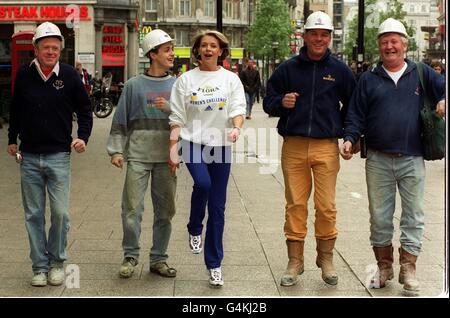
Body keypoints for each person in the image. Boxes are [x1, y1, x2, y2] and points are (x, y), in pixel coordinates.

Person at [340, 18, 445, 293]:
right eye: (385, 41)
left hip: (413, 158)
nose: (390, 46)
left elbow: (445, 89)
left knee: (414, 215)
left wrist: (444, 100)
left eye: (394, 41)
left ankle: (408, 268)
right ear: (379, 46)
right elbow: (355, 115)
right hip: (377, 159)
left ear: (405, 45)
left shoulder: (422, 73)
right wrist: (349, 139)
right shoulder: (368, 79)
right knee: (380, 216)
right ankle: (384, 266)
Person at [263, 11, 356, 287]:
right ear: (304, 36)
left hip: (327, 147)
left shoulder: (340, 70)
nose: (318, 39)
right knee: (295, 205)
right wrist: (282, 102)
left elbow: (354, 106)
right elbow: (269, 101)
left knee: (326, 206)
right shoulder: (287, 68)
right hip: (293, 145)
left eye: (323, 35)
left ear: (329, 38)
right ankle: (295, 261)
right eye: (314, 34)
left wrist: (350, 135)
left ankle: (325, 258)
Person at [7, 22, 93, 287]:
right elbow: (16, 108)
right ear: (36, 49)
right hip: (30, 156)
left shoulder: (69, 75)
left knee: (60, 213)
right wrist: (12, 139)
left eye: (55, 48)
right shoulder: (24, 74)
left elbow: (85, 110)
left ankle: (57, 263)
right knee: (33, 214)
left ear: (60, 50)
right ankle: (40, 267)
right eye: (46, 47)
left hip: (59, 156)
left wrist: (83, 137)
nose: (51, 51)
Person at [168, 30, 246, 287]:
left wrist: (236, 127)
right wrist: (172, 149)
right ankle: (193, 226)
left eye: (214, 46)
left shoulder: (231, 79)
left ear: (222, 51)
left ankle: (214, 264)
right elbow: (177, 116)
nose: (209, 49)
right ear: (198, 51)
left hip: (221, 144)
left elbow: (237, 109)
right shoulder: (185, 80)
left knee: (218, 208)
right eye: (204, 46)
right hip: (192, 141)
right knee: (202, 183)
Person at [106, 29, 178, 279]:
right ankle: (130, 255)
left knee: (165, 211)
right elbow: (121, 120)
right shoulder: (134, 85)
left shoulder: (176, 85)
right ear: (153, 54)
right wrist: (116, 151)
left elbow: (185, 122)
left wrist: (170, 109)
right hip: (137, 156)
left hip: (166, 159)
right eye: (167, 50)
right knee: (131, 210)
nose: (172, 54)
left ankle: (159, 258)